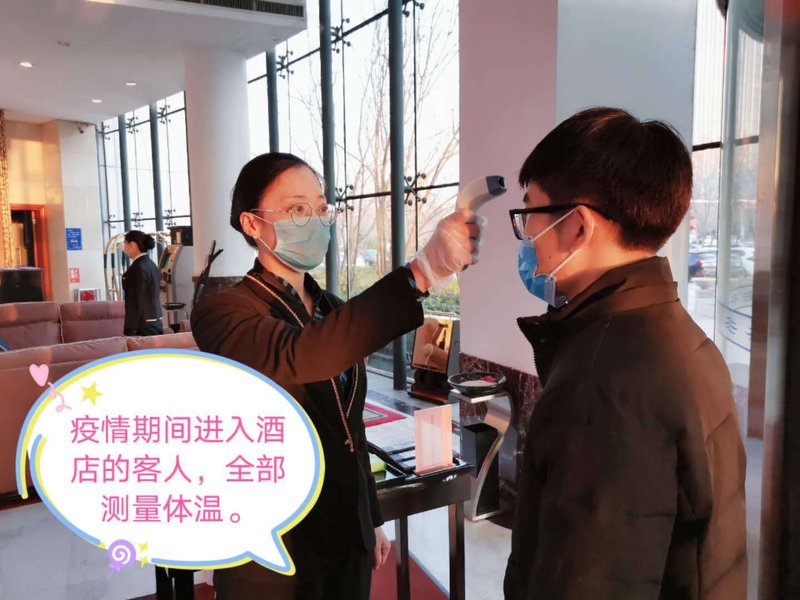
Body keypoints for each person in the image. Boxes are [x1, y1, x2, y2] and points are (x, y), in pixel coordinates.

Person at [190, 152, 483, 599]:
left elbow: (351, 428)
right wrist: (420, 273)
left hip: (347, 535)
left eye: (321, 207)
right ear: (251, 224)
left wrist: (372, 520)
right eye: (297, 209)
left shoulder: (330, 307)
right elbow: (301, 355)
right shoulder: (224, 311)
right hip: (275, 548)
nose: (315, 221)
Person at [503, 108, 746, 599]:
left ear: (577, 226)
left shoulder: (600, 382)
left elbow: (587, 580)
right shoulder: (679, 335)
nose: (526, 237)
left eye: (529, 215)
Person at [121, 230, 163, 336]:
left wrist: (130, 329)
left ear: (132, 245)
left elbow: (136, 300)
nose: (123, 248)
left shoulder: (137, 268)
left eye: (125, 243)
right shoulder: (151, 264)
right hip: (154, 319)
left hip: (142, 324)